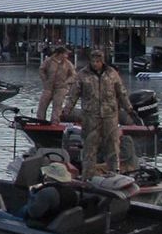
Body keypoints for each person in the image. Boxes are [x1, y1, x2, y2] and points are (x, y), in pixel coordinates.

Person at [57, 49, 135, 179]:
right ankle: (87, 175)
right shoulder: (82, 75)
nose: (95, 63)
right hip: (90, 117)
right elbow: (73, 95)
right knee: (89, 146)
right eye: (93, 60)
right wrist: (66, 110)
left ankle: (114, 174)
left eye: (98, 61)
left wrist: (129, 109)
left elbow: (121, 92)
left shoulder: (112, 73)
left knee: (112, 145)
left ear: (102, 61)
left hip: (110, 115)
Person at [37, 47, 75, 119]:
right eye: (65, 54)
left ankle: (55, 123)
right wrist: (45, 80)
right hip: (48, 87)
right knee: (42, 105)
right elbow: (41, 70)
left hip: (61, 88)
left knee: (57, 106)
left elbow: (73, 75)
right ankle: (40, 121)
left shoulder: (68, 63)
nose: (67, 56)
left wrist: (67, 82)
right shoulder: (48, 61)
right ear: (60, 54)